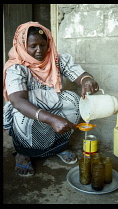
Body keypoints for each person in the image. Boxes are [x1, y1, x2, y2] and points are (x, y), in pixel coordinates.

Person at [3, 21, 99, 176]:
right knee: (19, 112)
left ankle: (58, 147)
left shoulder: (56, 60)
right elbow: (18, 101)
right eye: (33, 46)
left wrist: (86, 80)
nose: (39, 50)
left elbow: (79, 75)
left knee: (73, 100)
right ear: (22, 46)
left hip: (51, 103)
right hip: (27, 108)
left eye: (43, 44)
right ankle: (23, 153)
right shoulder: (16, 67)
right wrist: (52, 119)